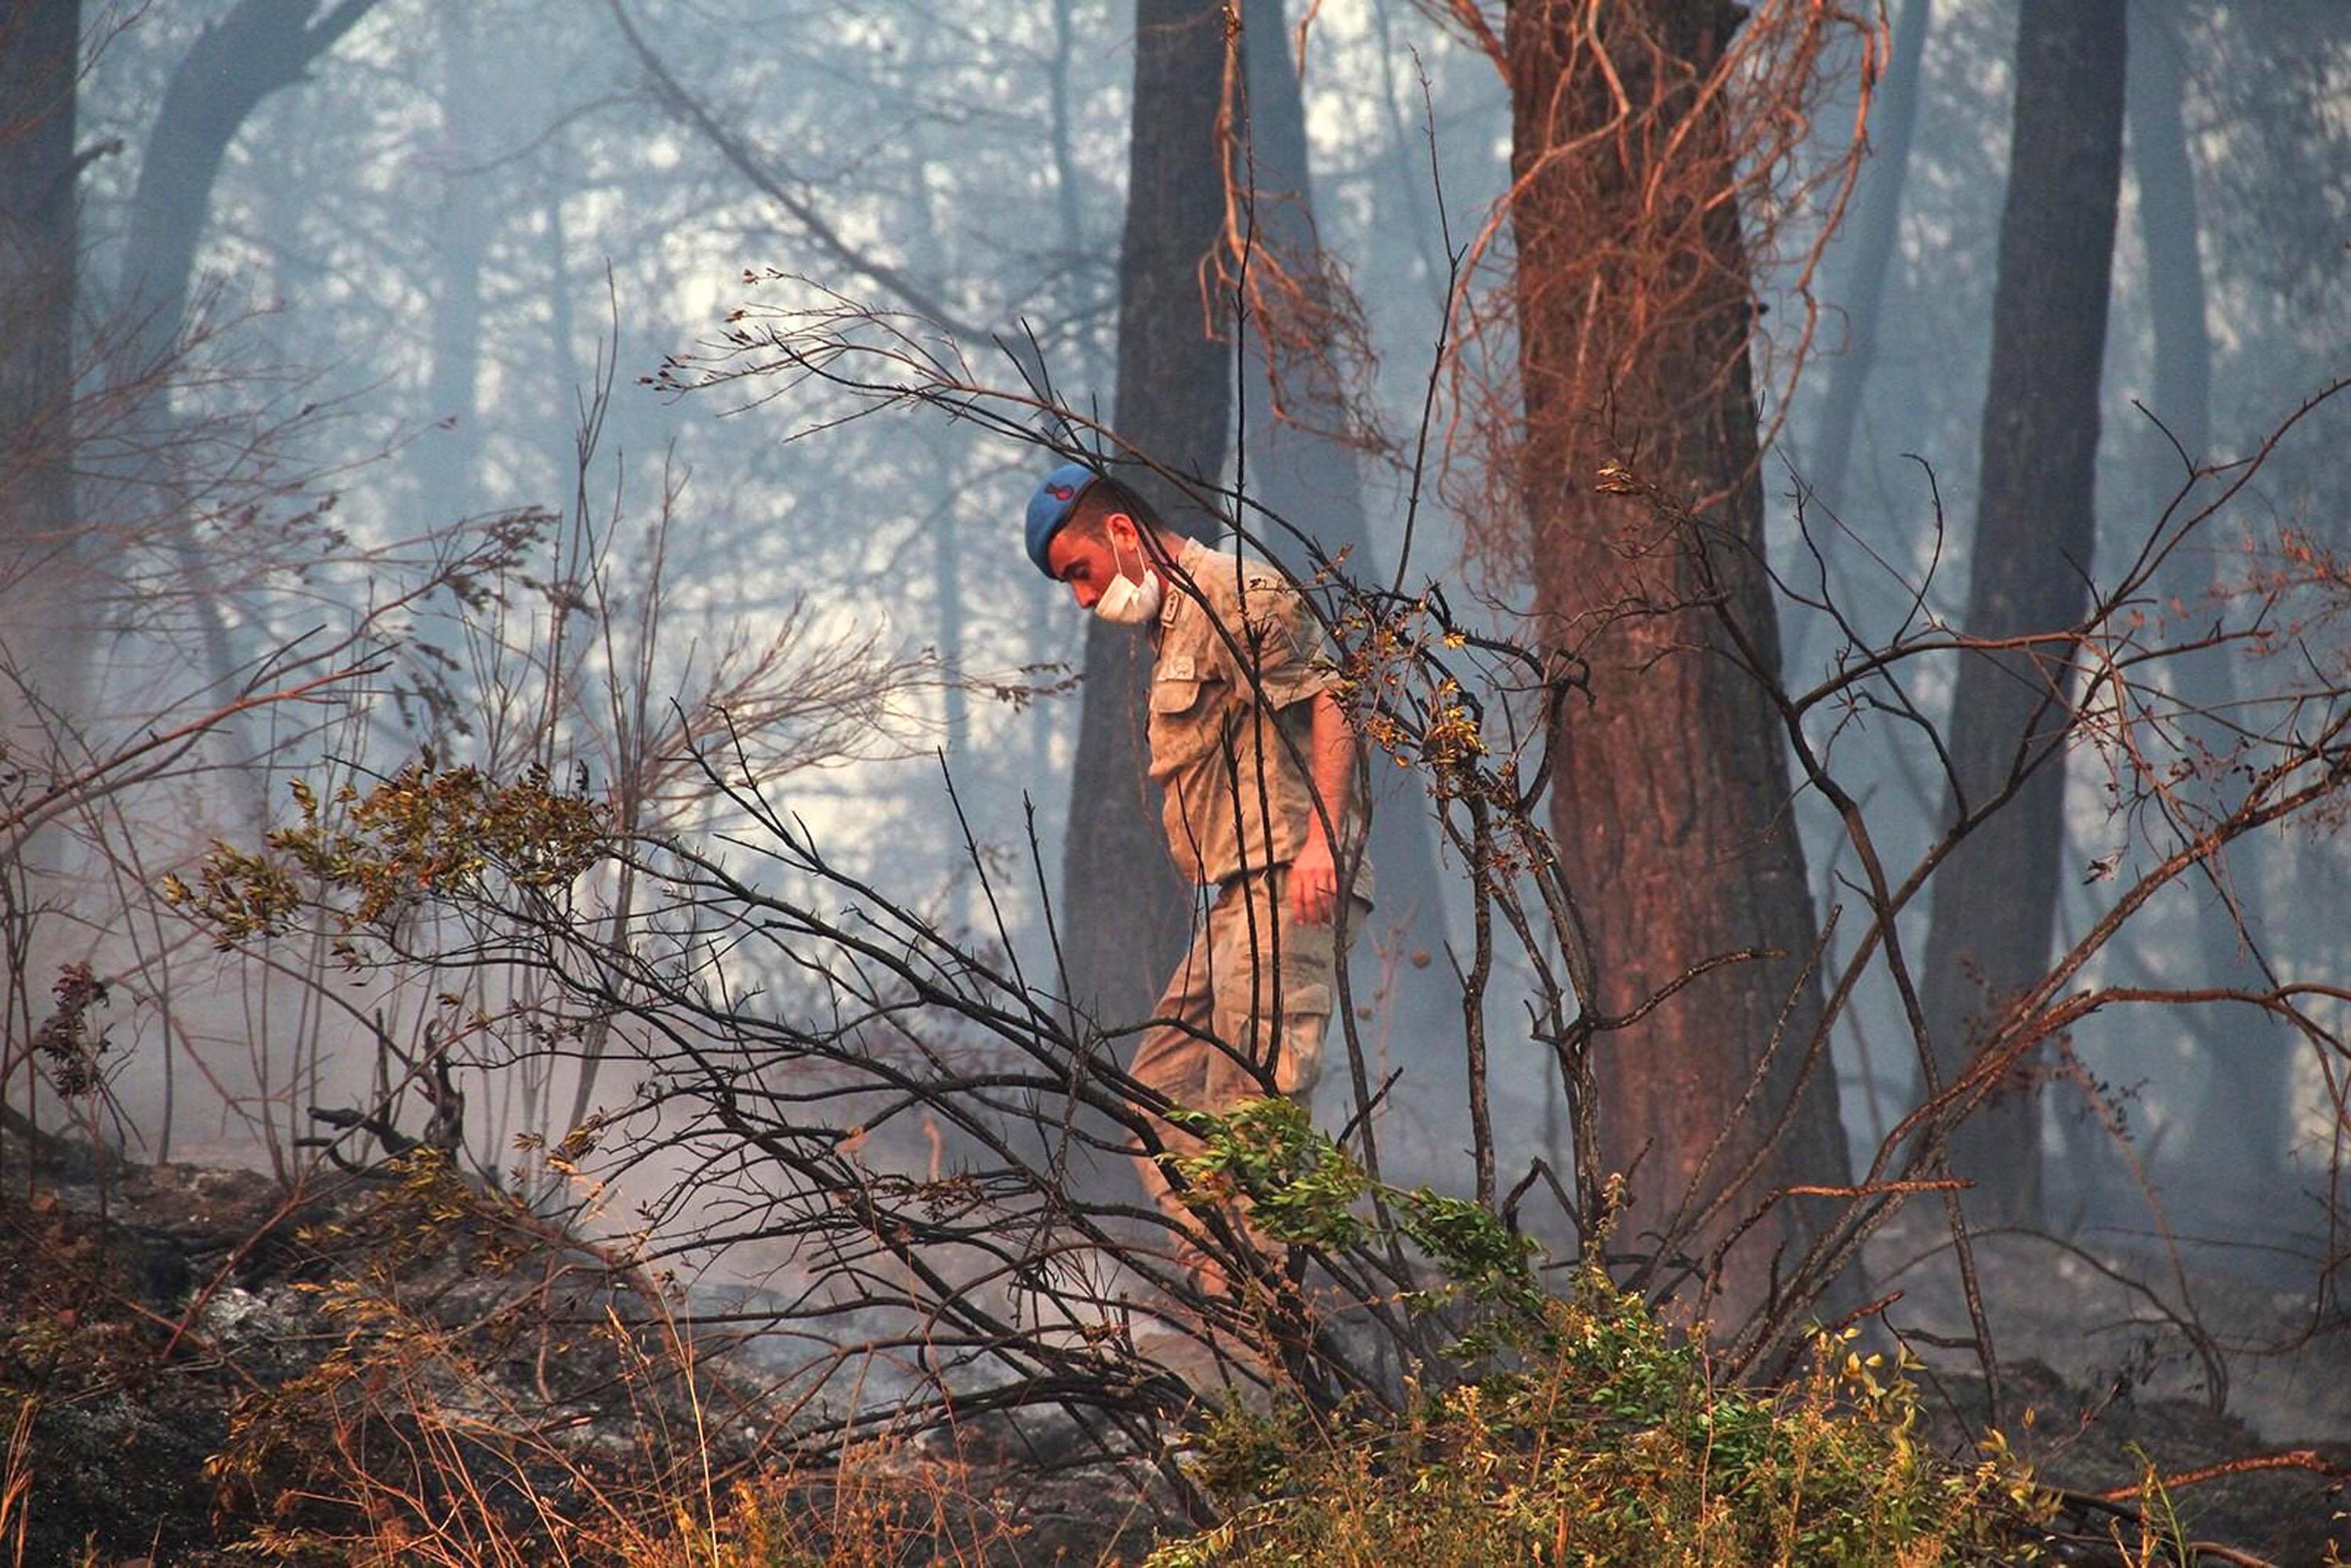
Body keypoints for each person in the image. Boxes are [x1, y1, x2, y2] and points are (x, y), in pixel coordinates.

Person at [1024, 462, 1371, 1291]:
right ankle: (1223, 1274)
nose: (1081, 597)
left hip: (1288, 879)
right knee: (1158, 1093)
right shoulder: (1173, 624)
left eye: (1080, 572)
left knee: (1251, 1109)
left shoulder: (1235, 593)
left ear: (1120, 531)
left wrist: (1322, 841)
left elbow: (1335, 696)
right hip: (1235, 901)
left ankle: (1263, 1327)